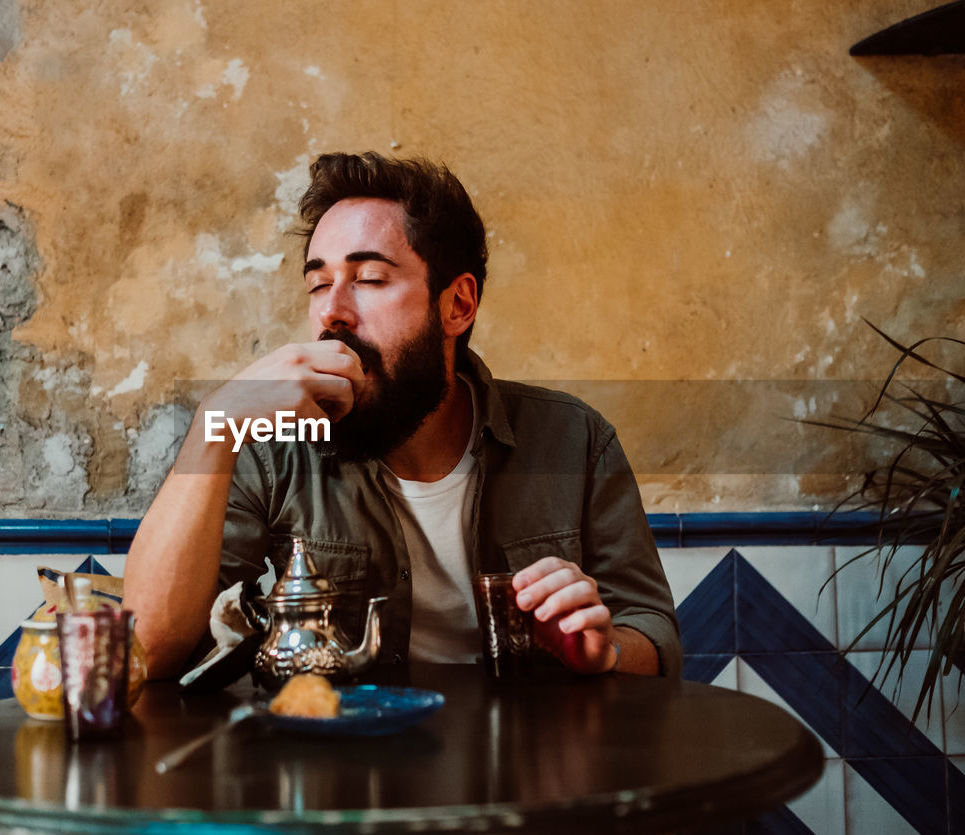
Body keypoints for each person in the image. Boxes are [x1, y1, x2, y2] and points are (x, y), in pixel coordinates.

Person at [126, 152, 681, 681]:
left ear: (457, 305)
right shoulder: (274, 444)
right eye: (318, 283)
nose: (332, 312)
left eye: (368, 278)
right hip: (343, 767)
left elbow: (654, 634)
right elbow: (149, 652)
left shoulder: (574, 439)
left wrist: (603, 652)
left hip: (532, 767)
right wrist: (212, 425)